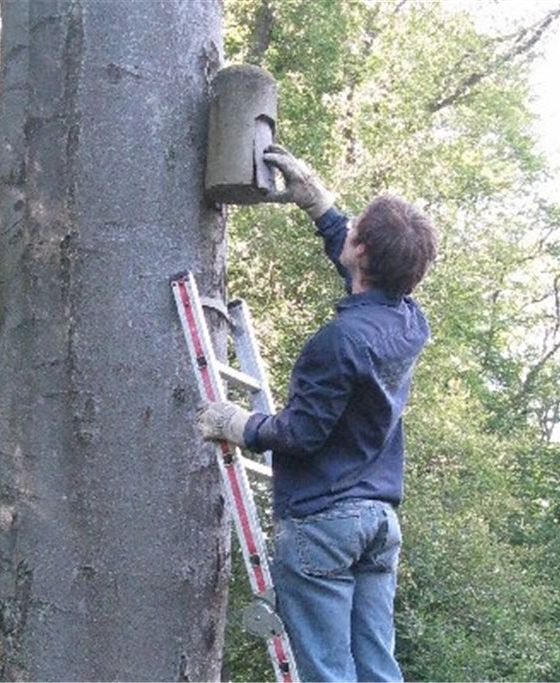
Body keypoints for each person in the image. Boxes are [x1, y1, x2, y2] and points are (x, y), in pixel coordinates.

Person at [197, 144, 437, 682]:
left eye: (353, 232)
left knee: (329, 673)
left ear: (361, 251)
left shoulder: (339, 343)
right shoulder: (409, 322)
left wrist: (238, 425)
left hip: (325, 523)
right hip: (377, 523)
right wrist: (321, 209)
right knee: (377, 668)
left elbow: (302, 434)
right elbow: (372, 281)